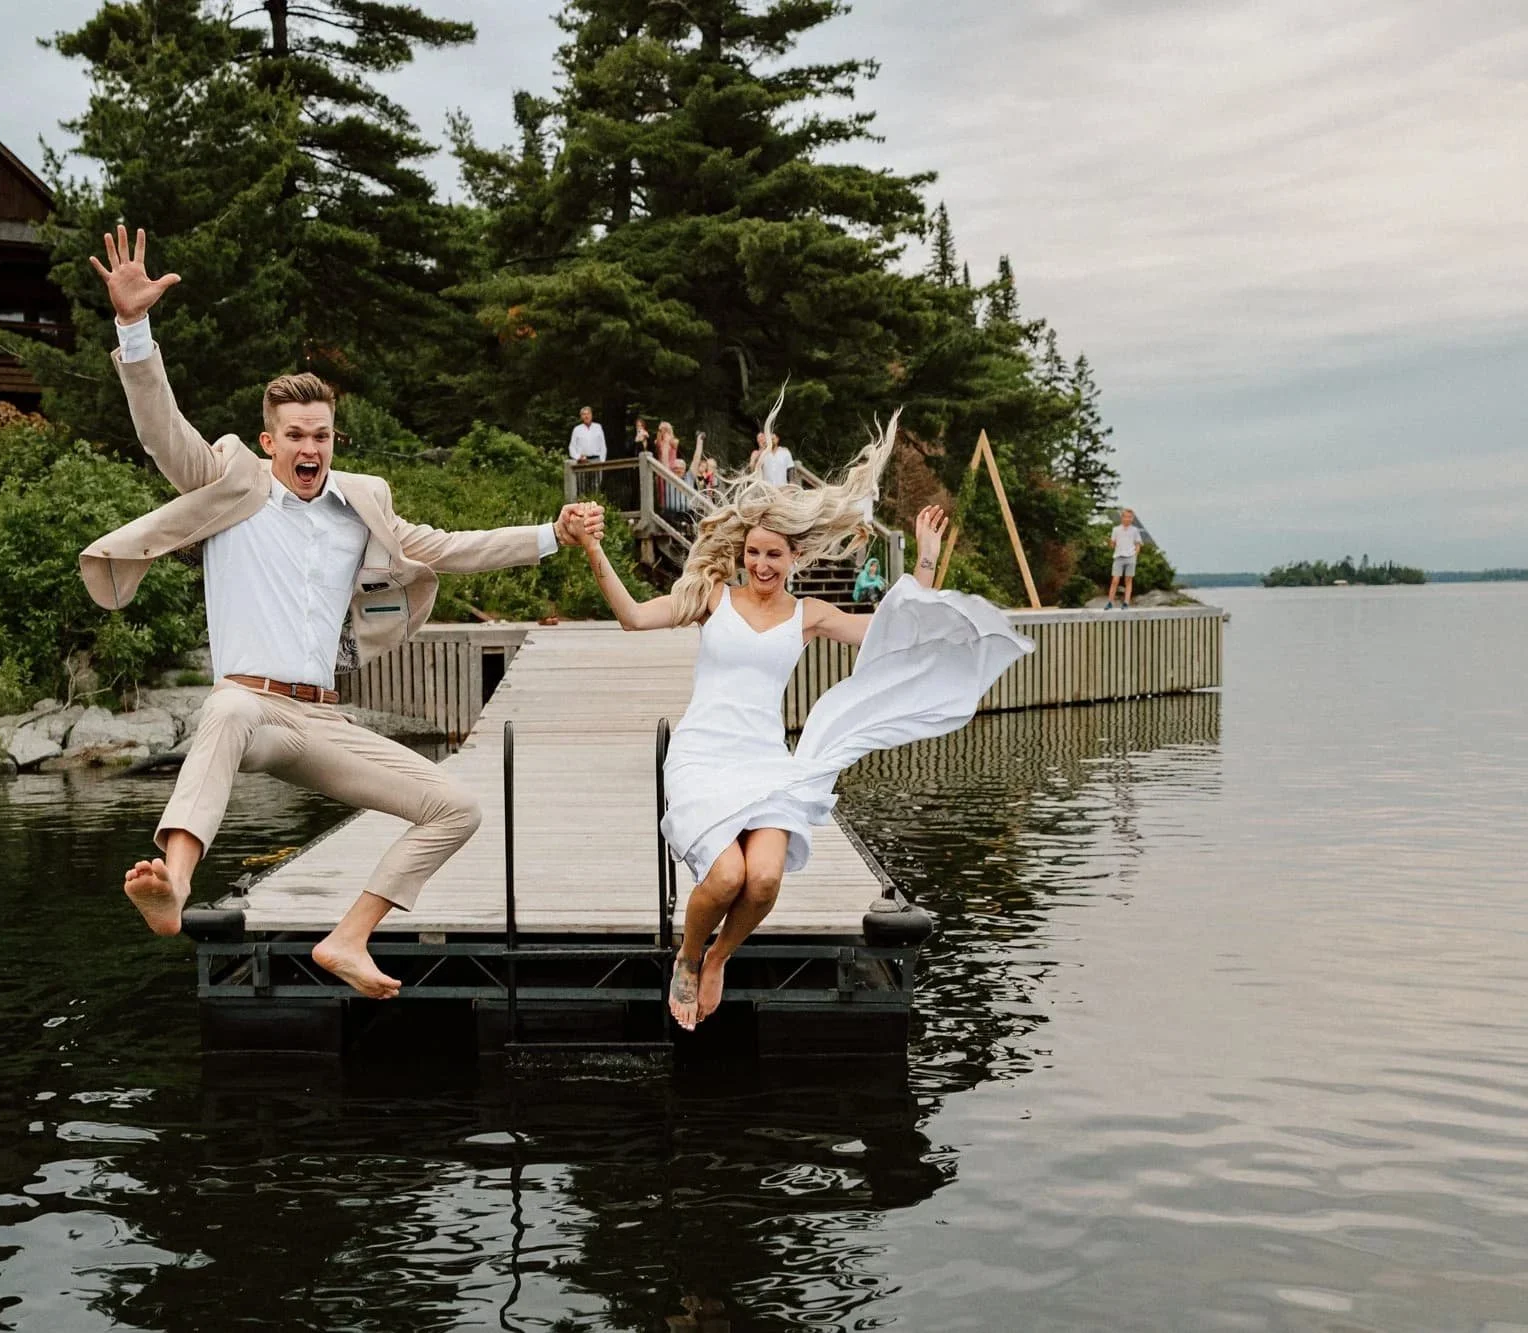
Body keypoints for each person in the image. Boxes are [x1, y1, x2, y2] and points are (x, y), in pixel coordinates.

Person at [80, 227, 606, 998]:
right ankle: (175, 887)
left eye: (321, 435)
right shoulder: (229, 483)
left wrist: (548, 536)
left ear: (334, 440)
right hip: (251, 709)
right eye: (295, 434)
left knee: (454, 808)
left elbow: (448, 546)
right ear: (269, 440)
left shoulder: (361, 506)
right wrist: (134, 328)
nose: (310, 447)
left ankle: (349, 938)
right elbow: (162, 431)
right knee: (223, 710)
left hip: (323, 722)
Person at [565, 412, 1032, 1029]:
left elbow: (885, 634)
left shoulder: (808, 613)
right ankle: (687, 955)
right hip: (704, 754)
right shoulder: (711, 599)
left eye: (773, 555)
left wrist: (922, 563)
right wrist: (594, 549)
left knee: (761, 881)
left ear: (794, 557)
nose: (761, 564)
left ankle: (719, 959)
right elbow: (631, 616)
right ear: (741, 554)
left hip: (764, 759)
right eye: (753, 553)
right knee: (726, 873)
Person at [1106, 507, 1147, 608]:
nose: (1128, 519)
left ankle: (1126, 602)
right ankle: (1110, 602)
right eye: (1126, 517)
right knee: (1115, 580)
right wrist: (1110, 543)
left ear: (1132, 518)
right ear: (1122, 518)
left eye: (1130, 517)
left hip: (1130, 557)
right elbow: (1112, 544)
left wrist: (1135, 555)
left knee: (1128, 580)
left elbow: (1138, 544)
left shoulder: (1135, 530)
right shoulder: (1115, 529)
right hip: (1118, 556)